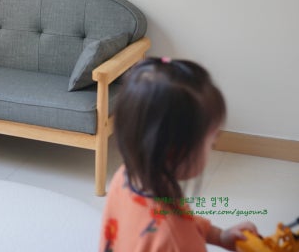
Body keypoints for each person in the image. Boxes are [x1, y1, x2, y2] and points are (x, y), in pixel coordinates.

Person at [100, 57, 257, 251]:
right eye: (212, 142)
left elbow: (177, 217)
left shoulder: (124, 177)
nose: (212, 148)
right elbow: (175, 226)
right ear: (175, 152)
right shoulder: (178, 241)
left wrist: (219, 236)